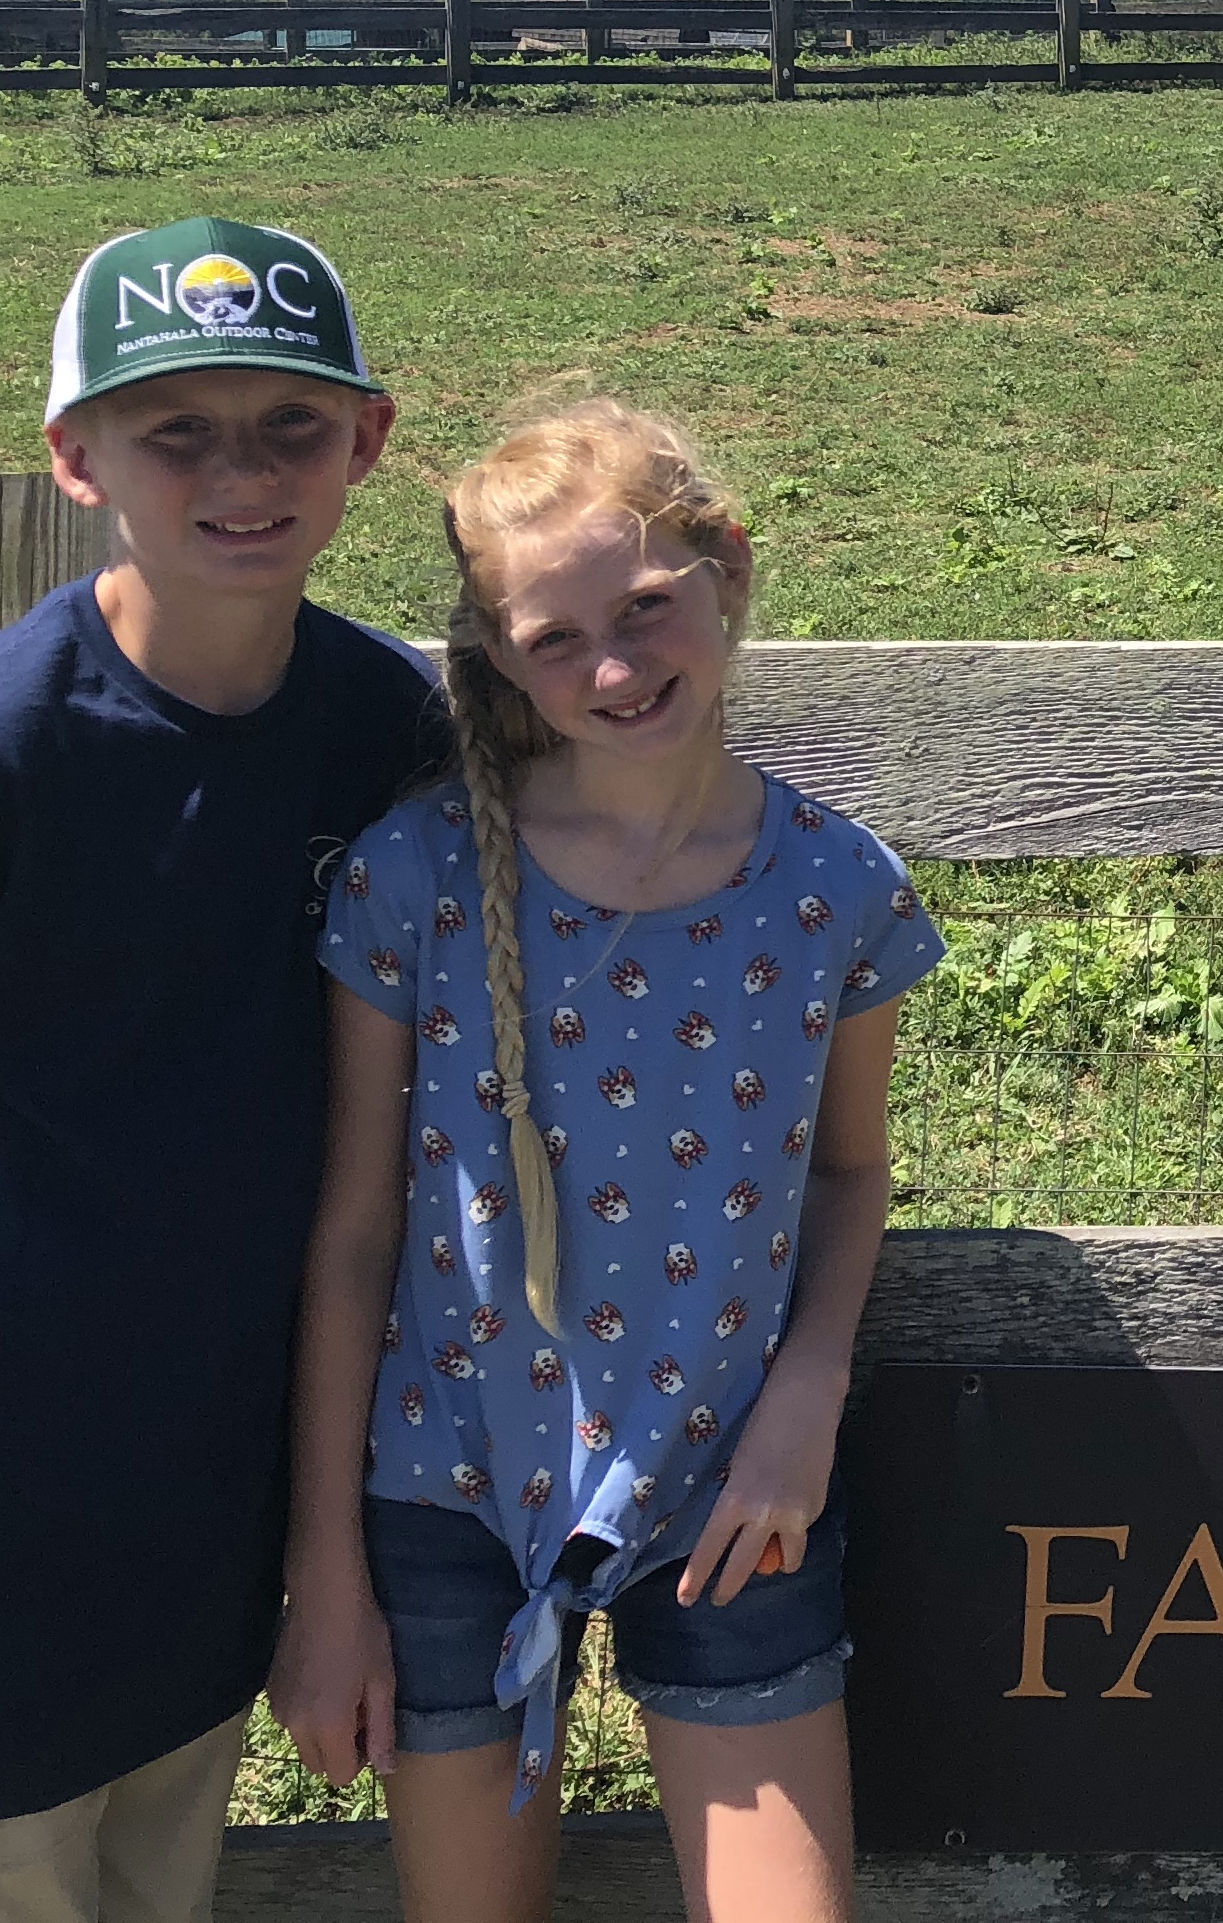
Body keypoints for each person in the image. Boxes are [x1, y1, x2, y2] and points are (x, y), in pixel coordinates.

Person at [0, 216, 427, 1923]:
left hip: (190, 1568)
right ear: (75, 456)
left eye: (290, 421)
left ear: (367, 439)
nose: (240, 471)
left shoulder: (382, 728)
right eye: (176, 428)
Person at [272, 399, 941, 1922]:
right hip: (446, 1475)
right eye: (557, 639)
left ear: (729, 571)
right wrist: (329, 1578)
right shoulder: (416, 879)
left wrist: (807, 1398)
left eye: (645, 608)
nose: (617, 669)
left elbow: (850, 1175)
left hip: (734, 1475)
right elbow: (356, 1234)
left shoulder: (836, 888)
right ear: (501, 659)